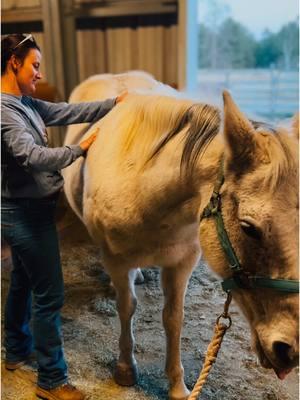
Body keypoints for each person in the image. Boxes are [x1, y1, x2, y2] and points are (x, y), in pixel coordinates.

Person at [1, 33, 127, 400]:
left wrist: (113, 104)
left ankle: (17, 351)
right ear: (14, 63)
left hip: (24, 210)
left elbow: (66, 112)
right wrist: (79, 149)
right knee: (50, 295)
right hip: (24, 215)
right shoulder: (5, 112)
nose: (39, 74)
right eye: (35, 65)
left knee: (23, 282)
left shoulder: (23, 103)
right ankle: (52, 381)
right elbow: (32, 156)